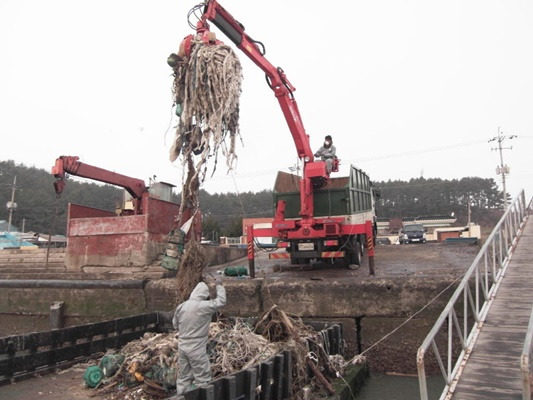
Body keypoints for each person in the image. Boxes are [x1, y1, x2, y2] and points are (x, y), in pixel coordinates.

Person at [172, 277, 226, 395]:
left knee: (184, 376)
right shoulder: (204, 306)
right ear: (204, 295)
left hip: (182, 345)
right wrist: (219, 285)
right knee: (202, 378)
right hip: (196, 347)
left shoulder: (182, 306)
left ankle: (181, 396)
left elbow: (175, 325)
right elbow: (221, 301)